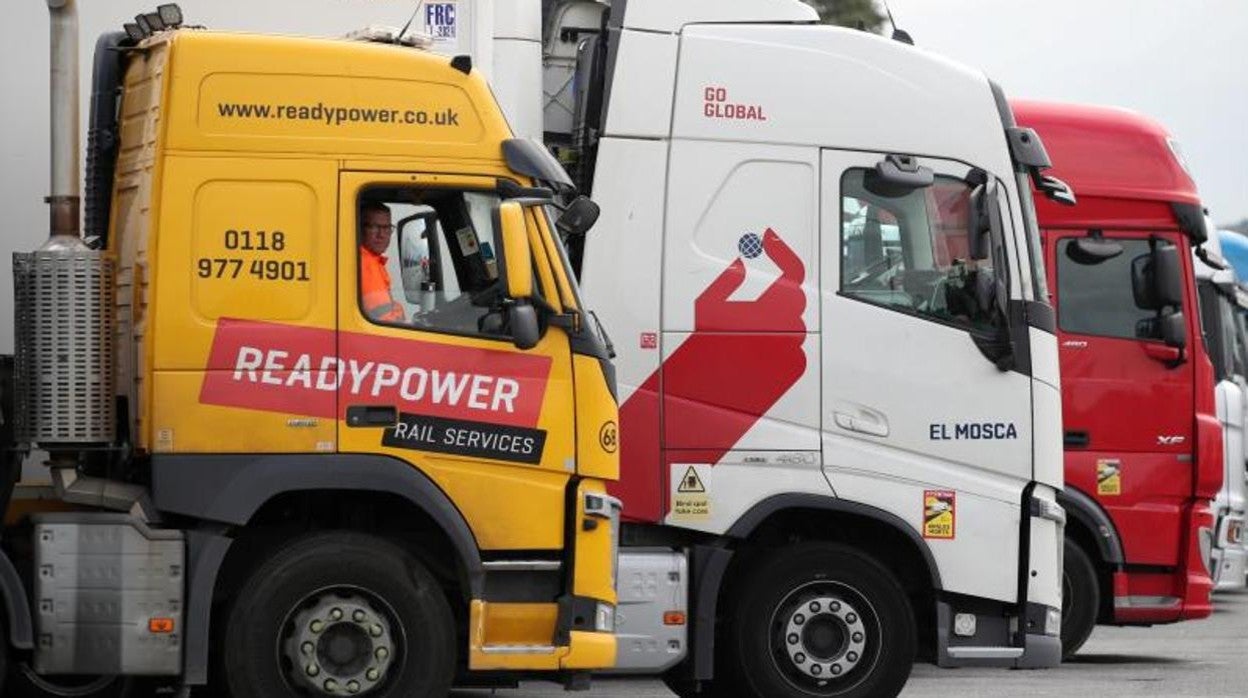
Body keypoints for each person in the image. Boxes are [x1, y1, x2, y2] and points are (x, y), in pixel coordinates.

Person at [359, 201, 405, 323]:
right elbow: (386, 321)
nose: (381, 235)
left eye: (386, 228)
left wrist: (396, 307)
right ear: (358, 228)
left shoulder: (373, 260)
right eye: (374, 227)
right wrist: (400, 312)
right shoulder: (366, 265)